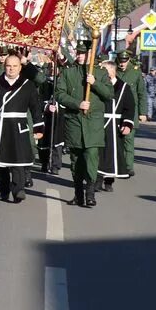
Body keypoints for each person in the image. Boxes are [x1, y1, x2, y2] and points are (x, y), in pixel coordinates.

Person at [0, 51, 44, 203]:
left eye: (15, 66)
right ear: (4, 67)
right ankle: (4, 190)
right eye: (8, 66)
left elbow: (35, 108)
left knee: (18, 162)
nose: (11, 69)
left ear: (20, 67)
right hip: (0, 127)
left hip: (18, 127)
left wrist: (38, 128)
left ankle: (18, 189)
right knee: (2, 164)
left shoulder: (28, 85)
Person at [54, 41, 113, 207]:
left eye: (83, 53)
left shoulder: (100, 73)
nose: (79, 56)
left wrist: (94, 83)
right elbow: (59, 94)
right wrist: (77, 104)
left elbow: (109, 94)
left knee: (91, 157)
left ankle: (90, 193)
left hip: (93, 124)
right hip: (74, 122)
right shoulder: (68, 73)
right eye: (78, 53)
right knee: (76, 160)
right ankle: (78, 193)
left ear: (90, 54)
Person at [95, 58, 136, 192]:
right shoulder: (99, 86)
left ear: (112, 71)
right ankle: (97, 180)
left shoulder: (124, 87)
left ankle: (109, 181)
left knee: (114, 153)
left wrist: (127, 123)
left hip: (116, 124)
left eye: (105, 70)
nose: (102, 73)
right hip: (101, 122)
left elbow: (130, 107)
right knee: (99, 152)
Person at [115, 50, 146, 177]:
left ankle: (128, 166)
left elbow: (141, 93)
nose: (122, 64)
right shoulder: (113, 71)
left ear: (128, 60)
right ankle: (117, 165)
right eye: (120, 61)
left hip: (131, 111)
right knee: (117, 140)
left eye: (125, 61)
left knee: (129, 140)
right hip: (116, 110)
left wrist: (142, 112)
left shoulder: (135, 72)